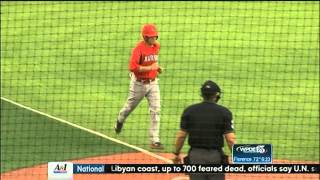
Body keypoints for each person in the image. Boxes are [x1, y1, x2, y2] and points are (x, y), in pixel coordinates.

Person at [173, 80, 236, 180]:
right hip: (215, 157)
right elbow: (230, 139)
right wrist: (237, 155)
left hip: (195, 157)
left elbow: (181, 136)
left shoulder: (190, 110)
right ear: (216, 95)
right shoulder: (224, 112)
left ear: (202, 94)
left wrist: (176, 154)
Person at [114, 24, 164, 149]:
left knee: (156, 109)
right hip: (138, 84)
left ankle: (155, 140)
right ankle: (120, 120)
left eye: (155, 36)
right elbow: (133, 67)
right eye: (151, 37)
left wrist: (157, 68)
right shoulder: (138, 49)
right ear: (145, 37)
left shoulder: (156, 46)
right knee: (129, 108)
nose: (154, 39)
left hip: (153, 83)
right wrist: (150, 68)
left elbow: (154, 61)